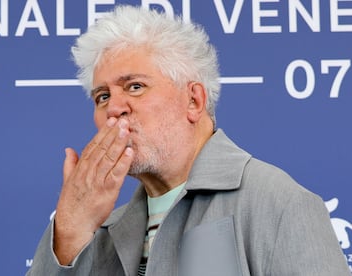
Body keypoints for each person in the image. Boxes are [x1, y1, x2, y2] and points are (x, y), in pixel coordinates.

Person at [27, 5, 349, 276]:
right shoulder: (100, 231)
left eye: (135, 86)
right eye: (102, 96)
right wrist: (69, 231)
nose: (114, 108)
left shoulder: (279, 204)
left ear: (194, 100)